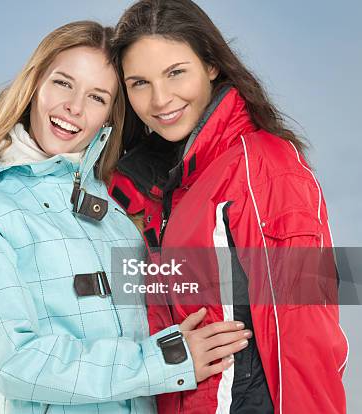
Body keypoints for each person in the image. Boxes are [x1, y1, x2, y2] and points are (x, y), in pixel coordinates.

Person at [0, 20, 251, 414]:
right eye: (63, 83)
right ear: (34, 83)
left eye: (97, 97)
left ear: (110, 116)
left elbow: (194, 283)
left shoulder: (119, 208)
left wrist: (318, 275)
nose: (74, 107)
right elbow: (15, 362)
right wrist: (166, 360)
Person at [107, 1, 349, 413]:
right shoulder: (146, 186)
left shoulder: (263, 166)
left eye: (175, 72)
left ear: (211, 65)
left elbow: (304, 332)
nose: (160, 99)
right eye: (139, 83)